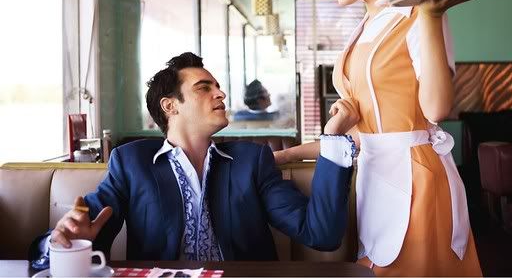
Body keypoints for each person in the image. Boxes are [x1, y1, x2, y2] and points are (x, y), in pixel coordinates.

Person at [274, 0, 482, 276]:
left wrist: (432, 16)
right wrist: (284, 155)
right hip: (373, 180)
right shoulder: (365, 26)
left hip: (415, 181)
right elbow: (360, 135)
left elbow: (436, 108)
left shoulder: (422, 12)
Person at [30, 52, 358, 266]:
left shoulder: (251, 161)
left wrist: (332, 137)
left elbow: (321, 234)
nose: (221, 94)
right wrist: (59, 242)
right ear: (170, 106)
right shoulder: (131, 163)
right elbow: (88, 227)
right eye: (204, 88)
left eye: (217, 86)